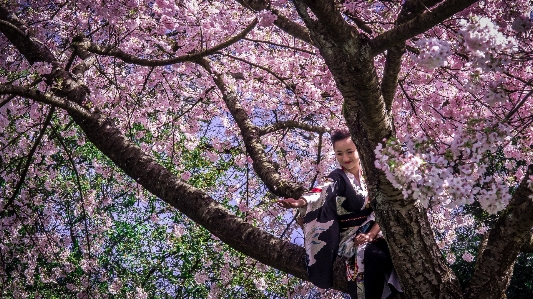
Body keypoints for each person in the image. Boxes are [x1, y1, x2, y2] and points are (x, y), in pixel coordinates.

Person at [277, 129, 402, 299]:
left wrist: (371, 234)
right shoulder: (337, 177)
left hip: (376, 231)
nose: (345, 158)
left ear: (359, 149)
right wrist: (300, 202)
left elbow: (384, 209)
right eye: (339, 154)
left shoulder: (372, 175)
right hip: (348, 238)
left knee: (393, 252)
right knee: (374, 257)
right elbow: (321, 191)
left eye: (350, 152)